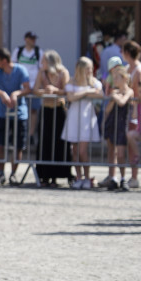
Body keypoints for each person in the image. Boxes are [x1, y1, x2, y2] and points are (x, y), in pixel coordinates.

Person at [0, 47, 31, 186]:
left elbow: (27, 88)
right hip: (2, 113)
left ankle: (13, 174)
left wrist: (16, 94)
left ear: (4, 60)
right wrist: (2, 93)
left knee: (17, 146)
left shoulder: (20, 70)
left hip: (19, 114)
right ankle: (1, 174)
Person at [61, 57, 103, 189]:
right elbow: (70, 97)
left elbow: (100, 94)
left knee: (83, 150)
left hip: (86, 117)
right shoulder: (72, 81)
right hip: (74, 117)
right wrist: (87, 92)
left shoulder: (94, 82)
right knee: (74, 150)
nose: (90, 70)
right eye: (88, 68)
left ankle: (86, 177)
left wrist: (83, 93)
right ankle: (78, 177)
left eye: (91, 68)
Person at [33, 50, 71, 186]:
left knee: (59, 142)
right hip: (46, 110)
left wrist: (55, 91)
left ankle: (57, 175)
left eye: (43, 60)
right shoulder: (41, 73)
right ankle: (44, 175)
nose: (41, 63)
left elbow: (67, 91)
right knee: (45, 141)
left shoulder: (63, 72)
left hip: (59, 110)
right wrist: (45, 91)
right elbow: (36, 90)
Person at [102, 57, 134, 190]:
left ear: (124, 78)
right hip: (112, 122)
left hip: (122, 124)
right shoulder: (114, 91)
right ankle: (112, 177)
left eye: (116, 78)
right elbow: (107, 110)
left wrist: (114, 96)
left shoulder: (129, 91)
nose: (114, 80)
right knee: (111, 151)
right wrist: (113, 97)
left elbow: (122, 102)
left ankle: (123, 178)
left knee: (121, 153)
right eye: (113, 78)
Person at [123, 40, 141, 191]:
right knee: (130, 144)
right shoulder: (129, 67)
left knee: (133, 142)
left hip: (136, 110)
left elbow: (140, 92)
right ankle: (133, 176)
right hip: (130, 108)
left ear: (127, 53)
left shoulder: (139, 70)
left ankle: (135, 177)